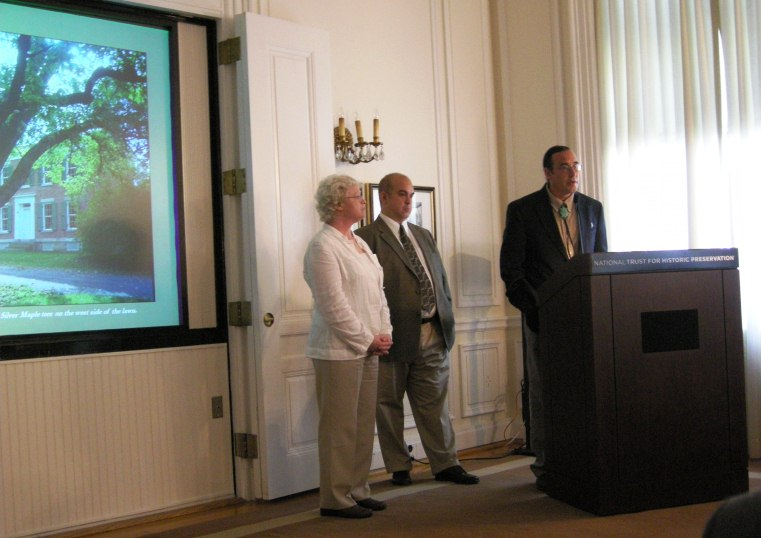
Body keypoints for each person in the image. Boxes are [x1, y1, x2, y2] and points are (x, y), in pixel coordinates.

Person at [356, 172, 479, 487]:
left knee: (434, 403)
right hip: (392, 337)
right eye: (401, 194)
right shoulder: (367, 237)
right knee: (388, 405)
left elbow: (438, 279)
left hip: (432, 331)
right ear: (383, 197)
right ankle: (399, 466)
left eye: (411, 195)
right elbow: (365, 291)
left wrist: (445, 311)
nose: (408, 200)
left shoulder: (423, 235)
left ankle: (446, 463)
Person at [499, 145, 607, 489]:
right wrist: (536, 308)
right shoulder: (523, 211)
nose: (573, 173)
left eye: (576, 165)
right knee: (545, 393)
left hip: (586, 316)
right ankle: (547, 466)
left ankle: (585, 459)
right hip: (543, 318)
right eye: (564, 167)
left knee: (586, 389)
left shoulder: (592, 209)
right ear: (547, 172)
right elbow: (512, 271)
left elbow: (601, 260)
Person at [303, 174, 393, 519]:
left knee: (361, 424)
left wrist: (383, 333)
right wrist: (366, 338)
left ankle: (357, 489)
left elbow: (377, 294)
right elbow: (333, 305)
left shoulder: (358, 242)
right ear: (338, 203)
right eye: (358, 196)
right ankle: (335, 498)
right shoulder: (323, 246)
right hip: (337, 351)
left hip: (368, 348)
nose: (364, 201)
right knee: (339, 428)